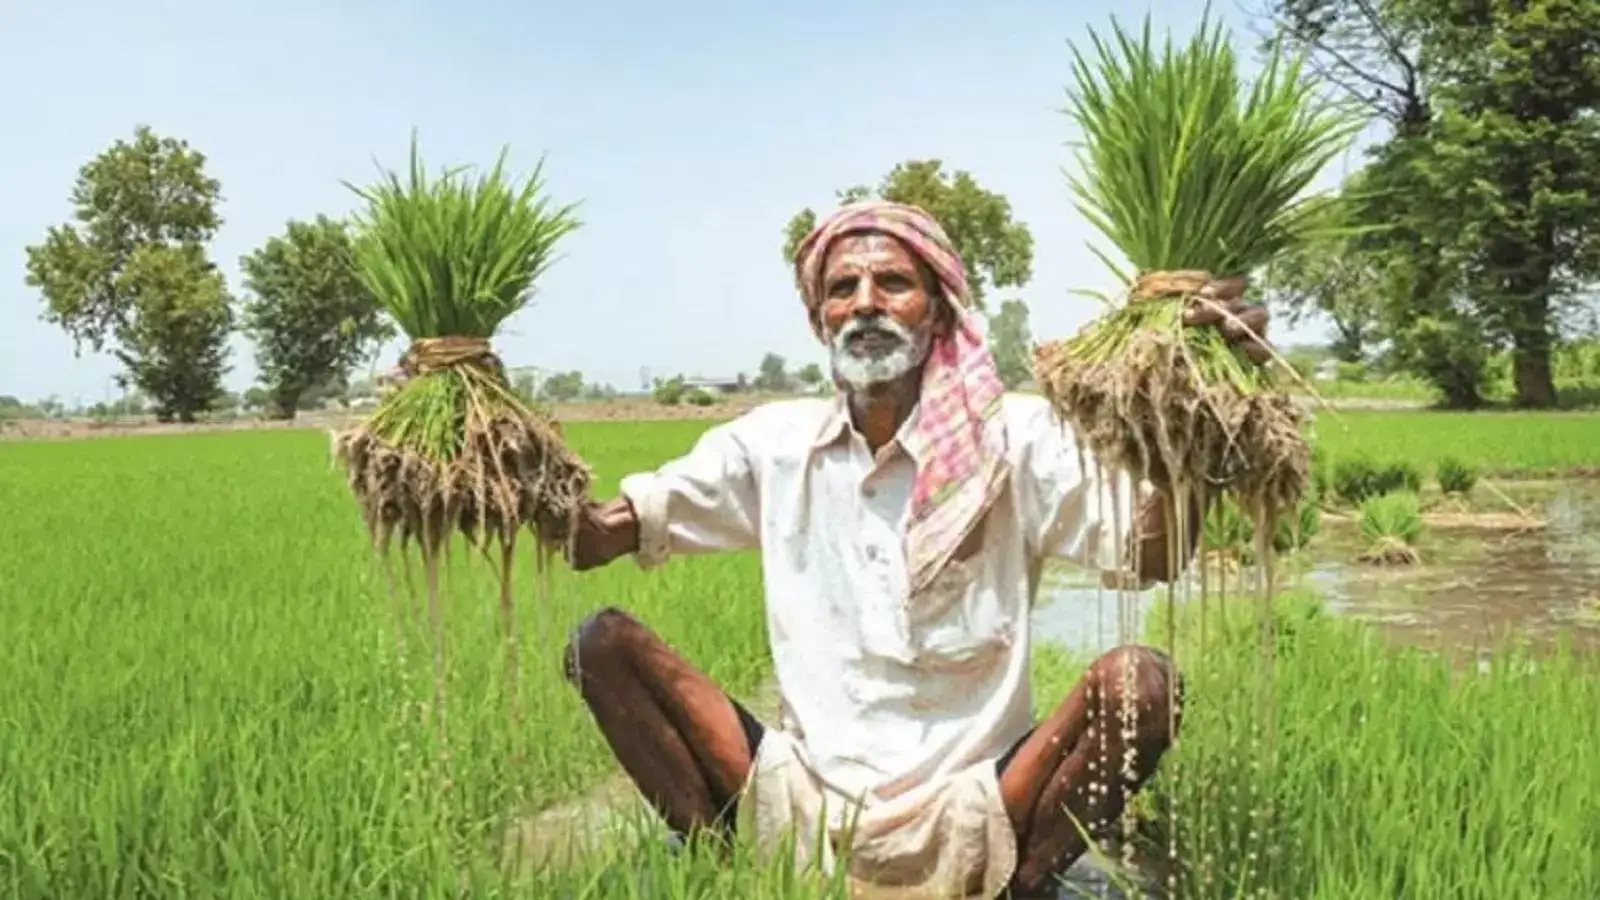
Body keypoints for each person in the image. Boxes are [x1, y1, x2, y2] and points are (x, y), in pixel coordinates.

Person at [561, 201, 1271, 898]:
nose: (867, 303)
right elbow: (595, 539)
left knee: (1140, 685)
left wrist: (1195, 409)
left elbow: (1150, 554)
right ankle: (734, 876)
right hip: (802, 796)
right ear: (819, 319)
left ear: (938, 310)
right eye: (843, 289)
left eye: (894, 283)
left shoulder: (1012, 441)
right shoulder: (771, 447)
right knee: (601, 645)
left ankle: (1017, 888)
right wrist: (496, 455)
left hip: (982, 802)